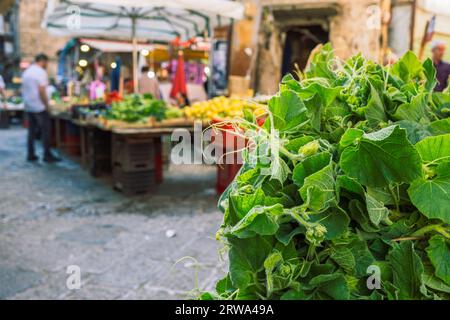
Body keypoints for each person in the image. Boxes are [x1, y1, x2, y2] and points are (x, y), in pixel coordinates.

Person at [22, 53, 61, 162]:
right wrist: (46, 105)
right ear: (43, 61)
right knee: (45, 131)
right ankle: (47, 155)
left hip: (29, 105)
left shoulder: (27, 71)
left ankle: (31, 154)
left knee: (31, 131)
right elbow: (41, 91)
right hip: (39, 106)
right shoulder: (40, 72)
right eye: (46, 63)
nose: (47, 65)